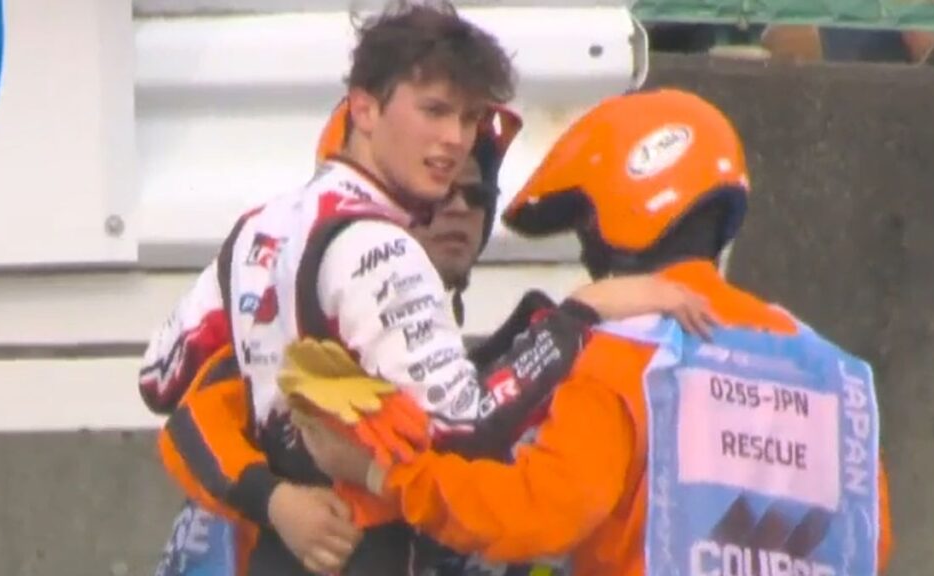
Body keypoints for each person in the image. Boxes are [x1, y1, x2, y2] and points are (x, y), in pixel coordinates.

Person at [139, 2, 716, 573]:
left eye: (468, 118)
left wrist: (273, 486)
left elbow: (162, 379)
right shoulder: (381, 250)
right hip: (363, 547)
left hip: (281, 550)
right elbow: (468, 429)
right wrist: (578, 317)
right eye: (434, 110)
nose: (453, 139)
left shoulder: (258, 227)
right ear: (363, 108)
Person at [295, 87, 896, 575]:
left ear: (616, 217)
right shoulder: (835, 372)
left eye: (584, 224)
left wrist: (378, 473)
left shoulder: (627, 357)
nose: (586, 249)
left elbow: (533, 514)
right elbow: (872, 544)